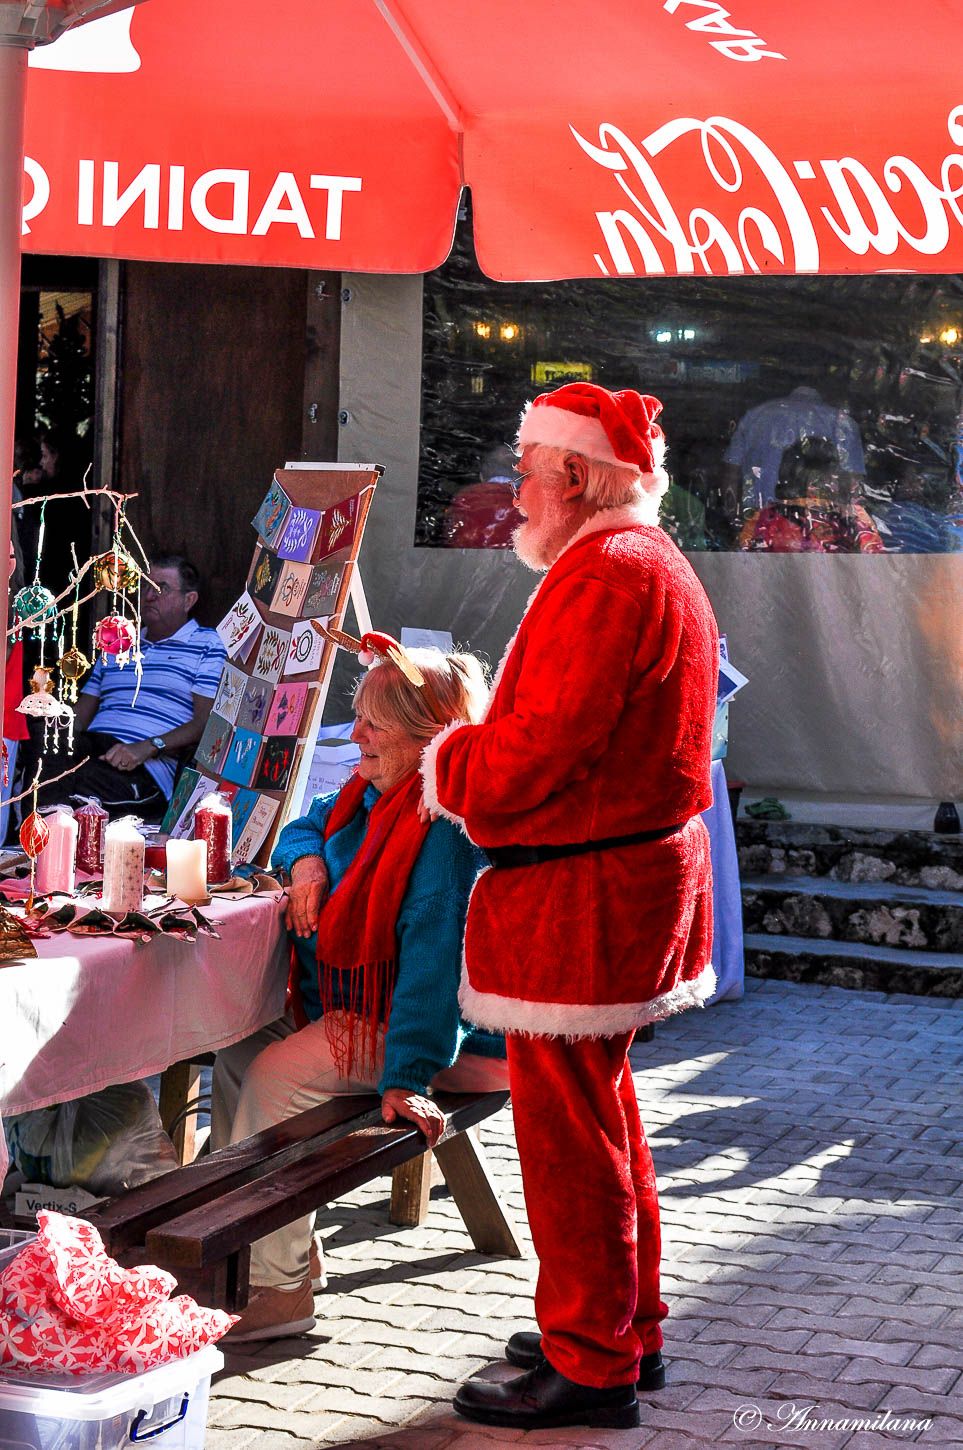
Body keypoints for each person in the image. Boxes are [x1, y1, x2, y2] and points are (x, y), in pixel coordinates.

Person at [420, 382, 719, 1432]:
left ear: (578, 476)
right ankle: (624, 1324)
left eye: (527, 476)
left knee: (568, 1136)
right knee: (602, 1112)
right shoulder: (638, 560)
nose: (514, 498)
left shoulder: (606, 572)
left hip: (586, 893)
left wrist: (447, 759)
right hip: (615, 878)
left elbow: (539, 749)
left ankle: (591, 1357)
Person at [210, 644, 509, 1342]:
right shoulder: (365, 796)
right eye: (358, 716)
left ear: (430, 735)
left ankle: (277, 1290)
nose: (355, 734)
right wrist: (306, 865)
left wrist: (408, 1078)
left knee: (275, 1077)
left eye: (375, 722)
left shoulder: (444, 833)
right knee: (237, 1049)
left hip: (442, 1039)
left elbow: (433, 974)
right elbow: (302, 825)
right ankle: (269, 1252)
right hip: (373, 1011)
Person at [38, 554, 225, 819]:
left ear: (189, 600)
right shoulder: (119, 640)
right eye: (146, 586)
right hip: (94, 748)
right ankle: (50, 827)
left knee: (75, 786)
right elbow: (80, 716)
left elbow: (204, 723)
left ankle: (51, 829)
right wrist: (51, 730)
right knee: (46, 741)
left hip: (144, 766)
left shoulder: (208, 643)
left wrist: (148, 746)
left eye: (161, 588)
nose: (149, 596)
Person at [721, 384, 865, 518]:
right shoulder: (842, 423)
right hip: (818, 523)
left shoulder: (755, 416)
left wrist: (731, 516)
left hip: (759, 520)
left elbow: (731, 471)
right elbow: (853, 483)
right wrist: (848, 525)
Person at [740, 437, 884, 553]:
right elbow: (873, 562)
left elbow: (743, 561)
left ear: (786, 474)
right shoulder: (854, 516)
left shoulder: (765, 517)